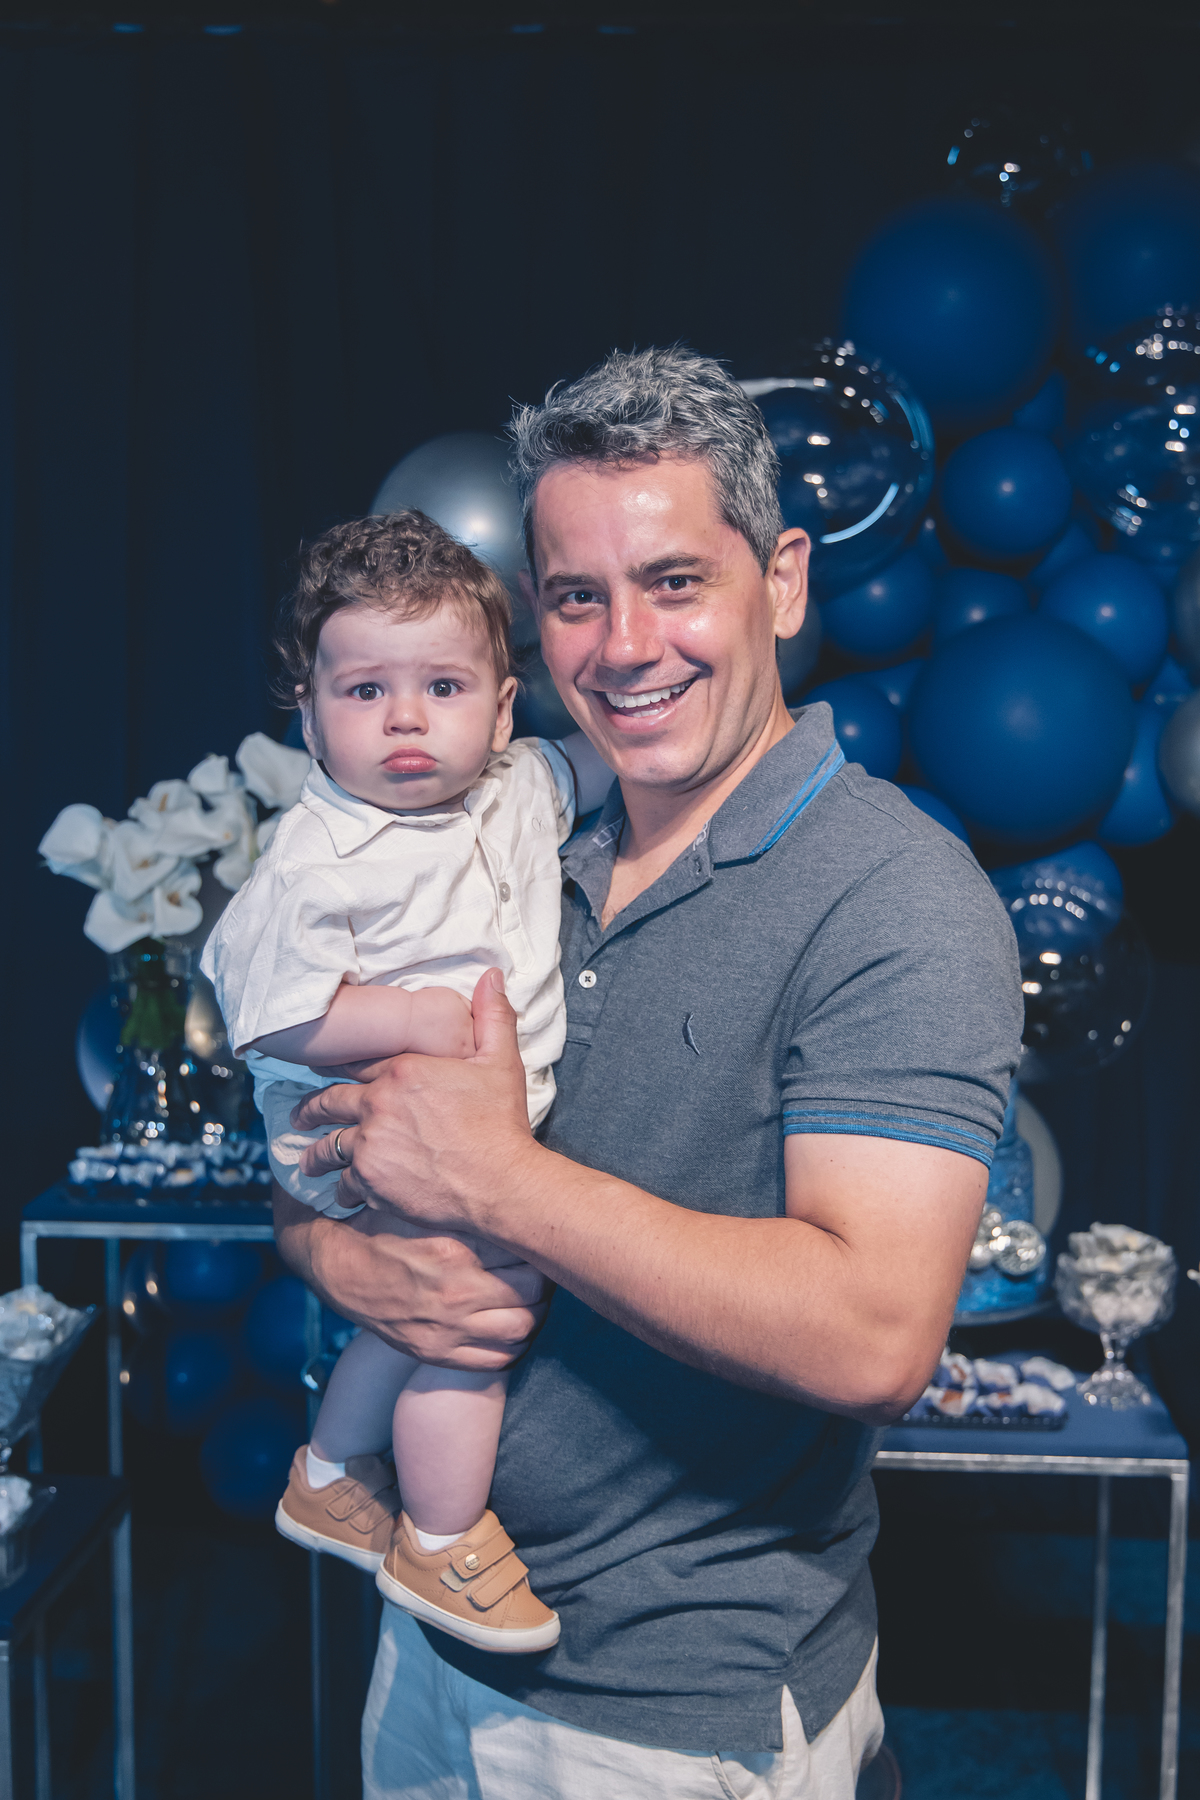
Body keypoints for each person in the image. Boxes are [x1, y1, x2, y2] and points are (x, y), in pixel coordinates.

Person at [274, 347, 1023, 1799]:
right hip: (436, 1632)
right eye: (577, 596)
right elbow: (324, 1145)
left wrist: (499, 1183)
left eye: (676, 582)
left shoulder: (897, 898)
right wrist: (336, 1256)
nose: (626, 645)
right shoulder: (499, 829)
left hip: (676, 1713)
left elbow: (877, 1338)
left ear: (782, 584)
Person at [203, 510, 610, 1653]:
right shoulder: (316, 857)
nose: (407, 719)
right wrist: (419, 1019)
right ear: (310, 715)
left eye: (443, 687)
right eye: (365, 691)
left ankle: (332, 1472)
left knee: (430, 1303)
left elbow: (598, 762)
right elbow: (271, 1012)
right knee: (472, 1323)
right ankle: (441, 1537)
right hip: (362, 1132)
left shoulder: (515, 787)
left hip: (465, 1128)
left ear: (502, 708)